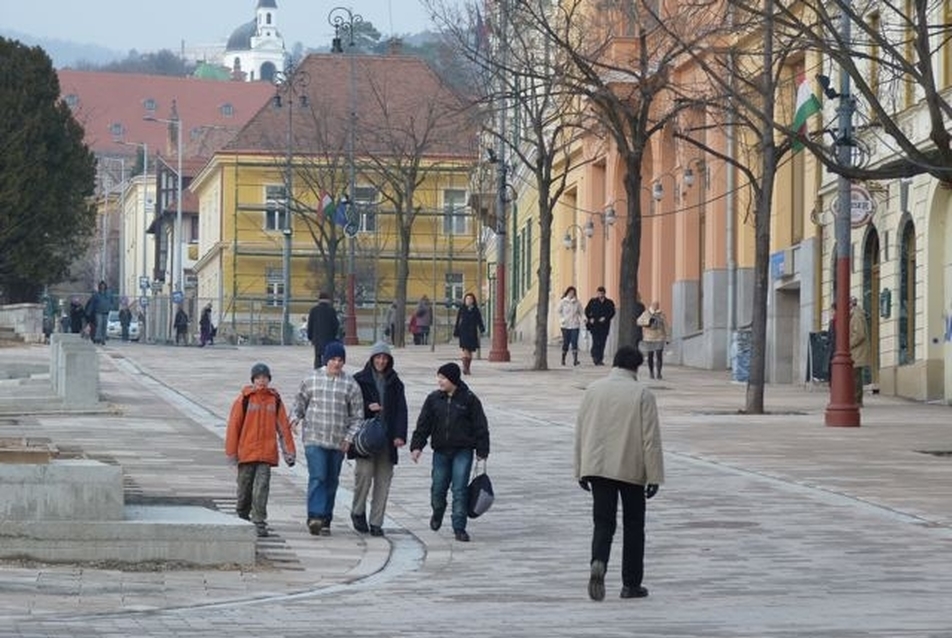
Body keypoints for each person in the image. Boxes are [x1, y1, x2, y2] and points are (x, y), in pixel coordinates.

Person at [575, 345, 664, 601]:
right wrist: (654, 475)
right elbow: (651, 439)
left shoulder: (593, 390)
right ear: (636, 367)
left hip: (597, 466)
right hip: (630, 467)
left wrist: (580, 469)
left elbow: (581, 430)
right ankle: (631, 583)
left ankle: (598, 561)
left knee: (603, 522)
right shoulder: (642, 394)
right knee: (634, 525)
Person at [410, 362, 490, 543]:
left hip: (463, 450)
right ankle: (437, 511)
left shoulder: (469, 400)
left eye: (443, 378)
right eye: (439, 377)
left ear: (453, 379)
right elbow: (423, 425)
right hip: (440, 451)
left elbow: (480, 426)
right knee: (438, 488)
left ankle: (459, 527)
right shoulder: (433, 400)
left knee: (460, 489)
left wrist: (482, 449)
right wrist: (417, 446)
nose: (439, 381)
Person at [291, 341, 363, 536]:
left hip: (338, 441)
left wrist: (349, 438)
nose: (337, 363)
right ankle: (314, 515)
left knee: (332, 479)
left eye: (340, 360)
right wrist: (294, 419)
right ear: (326, 360)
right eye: (333, 359)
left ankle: (326, 518)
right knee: (319, 475)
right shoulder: (312, 379)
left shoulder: (350, 384)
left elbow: (357, 416)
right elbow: (299, 402)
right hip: (314, 437)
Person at [225, 363, 297, 538]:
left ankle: (259, 521)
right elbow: (233, 428)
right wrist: (232, 454)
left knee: (261, 488)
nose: (261, 381)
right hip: (246, 454)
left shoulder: (275, 400)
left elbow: (283, 428)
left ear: (269, 379)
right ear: (253, 380)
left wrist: (289, 453)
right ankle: (242, 515)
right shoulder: (244, 400)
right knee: (244, 489)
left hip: (266, 454)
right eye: (258, 378)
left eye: (265, 377)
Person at [350, 341, 408, 537]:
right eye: (378, 357)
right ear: (372, 358)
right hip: (366, 437)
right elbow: (350, 406)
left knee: (383, 480)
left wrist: (400, 435)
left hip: (387, 438)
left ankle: (376, 522)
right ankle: (358, 511)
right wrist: (368, 407)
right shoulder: (359, 379)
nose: (381, 361)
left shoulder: (395, 382)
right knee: (364, 475)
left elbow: (402, 410)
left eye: (384, 358)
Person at [453, 292, 485, 375]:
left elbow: (479, 320)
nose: (468, 300)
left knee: (470, 351)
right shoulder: (462, 309)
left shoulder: (475, 310)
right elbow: (458, 321)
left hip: (472, 332)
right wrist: (456, 330)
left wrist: (481, 328)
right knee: (465, 349)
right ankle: (465, 368)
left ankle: (467, 368)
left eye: (470, 299)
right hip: (463, 331)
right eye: (467, 299)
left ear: (473, 300)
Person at [307, 292, 340, 369]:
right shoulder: (331, 310)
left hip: (317, 337)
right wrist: (334, 335)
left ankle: (317, 370)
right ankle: (327, 368)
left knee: (318, 355)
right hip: (329, 337)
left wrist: (310, 336)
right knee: (328, 355)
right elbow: (336, 324)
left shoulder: (314, 310)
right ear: (328, 300)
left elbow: (310, 324)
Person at [637, 301, 669, 379]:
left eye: (657, 305)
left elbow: (666, 326)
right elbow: (638, 321)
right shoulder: (646, 313)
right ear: (651, 305)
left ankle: (659, 373)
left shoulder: (661, 315)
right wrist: (648, 322)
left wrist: (667, 337)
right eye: (654, 305)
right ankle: (651, 372)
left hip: (659, 337)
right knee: (650, 356)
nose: (656, 306)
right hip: (649, 338)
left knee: (659, 355)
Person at [585, 286, 616, 366]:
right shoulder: (593, 301)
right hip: (594, 325)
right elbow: (587, 310)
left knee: (602, 342)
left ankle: (600, 359)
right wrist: (590, 318)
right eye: (599, 293)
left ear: (604, 293)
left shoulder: (609, 302)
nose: (600, 295)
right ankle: (595, 356)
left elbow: (612, 312)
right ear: (597, 293)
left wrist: (605, 318)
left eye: (602, 293)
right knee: (596, 341)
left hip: (604, 325)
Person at [849, 296, 869, 406]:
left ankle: (857, 400)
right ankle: (856, 400)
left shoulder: (856, 316)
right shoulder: (855, 315)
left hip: (856, 351)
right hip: (856, 351)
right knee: (855, 376)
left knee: (855, 377)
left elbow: (859, 335)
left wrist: (848, 345)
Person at [557, 286, 585, 366]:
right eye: (570, 292)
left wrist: (584, 318)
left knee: (574, 342)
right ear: (567, 292)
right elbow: (558, 311)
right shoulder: (563, 302)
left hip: (575, 325)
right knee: (566, 342)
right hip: (565, 325)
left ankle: (575, 360)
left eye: (573, 293)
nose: (571, 294)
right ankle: (563, 359)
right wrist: (562, 319)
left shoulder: (577, 302)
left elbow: (581, 312)